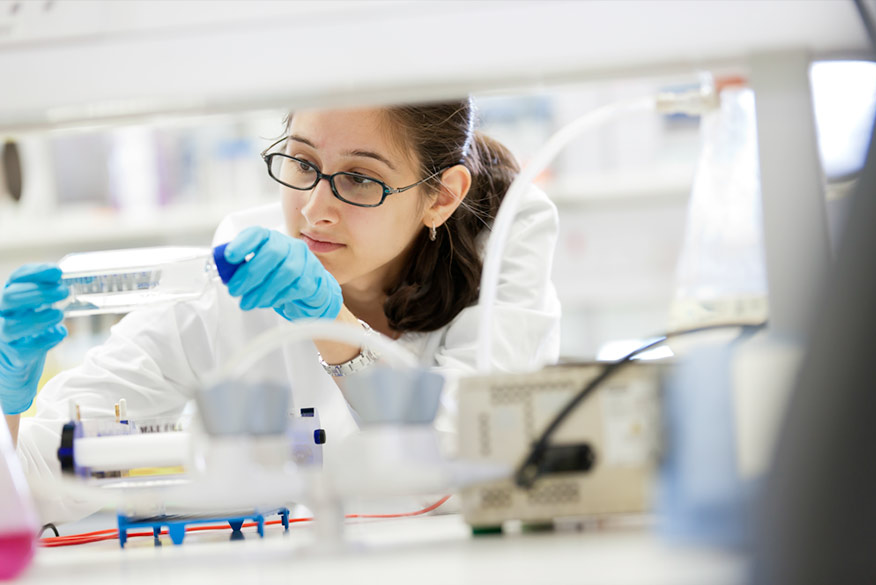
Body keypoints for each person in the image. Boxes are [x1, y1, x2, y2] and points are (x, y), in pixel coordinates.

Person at [0, 99, 561, 523]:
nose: (315, 210)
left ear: (441, 196)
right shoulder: (240, 277)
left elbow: (465, 466)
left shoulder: (508, 237)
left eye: (360, 178)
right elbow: (39, 478)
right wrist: (7, 400)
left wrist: (334, 329)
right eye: (302, 163)